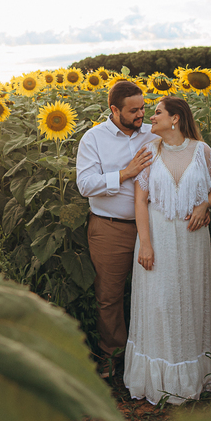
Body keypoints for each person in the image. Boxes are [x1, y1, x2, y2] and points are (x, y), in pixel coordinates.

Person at [124, 96, 211, 404]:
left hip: (192, 240)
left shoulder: (202, 151)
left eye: (157, 113)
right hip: (157, 237)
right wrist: (146, 244)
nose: (150, 118)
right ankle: (158, 379)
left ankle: (191, 376)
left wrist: (203, 205)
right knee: (159, 302)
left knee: (190, 299)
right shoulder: (149, 153)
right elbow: (140, 201)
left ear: (176, 119)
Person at [75, 80, 158, 375]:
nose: (141, 116)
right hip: (111, 228)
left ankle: (149, 357)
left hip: (154, 227)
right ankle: (113, 359)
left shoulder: (152, 133)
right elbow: (85, 185)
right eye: (133, 111)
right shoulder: (94, 139)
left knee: (153, 291)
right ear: (114, 109)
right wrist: (126, 173)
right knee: (109, 296)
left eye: (144, 108)